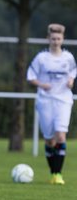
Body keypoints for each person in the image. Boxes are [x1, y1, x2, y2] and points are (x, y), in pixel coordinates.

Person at [27, 23, 77, 185]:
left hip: (63, 100)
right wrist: (41, 84)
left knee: (60, 135)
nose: (56, 41)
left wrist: (71, 80)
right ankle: (52, 173)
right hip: (45, 101)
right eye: (53, 38)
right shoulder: (41, 58)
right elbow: (30, 76)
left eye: (59, 38)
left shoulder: (68, 57)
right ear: (48, 39)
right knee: (49, 140)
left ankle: (58, 175)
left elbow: (73, 72)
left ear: (62, 39)